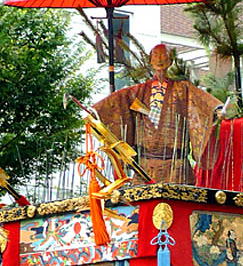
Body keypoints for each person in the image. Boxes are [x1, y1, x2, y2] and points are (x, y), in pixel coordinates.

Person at [93, 43, 221, 184]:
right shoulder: (139, 91)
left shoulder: (183, 89)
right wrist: (96, 112)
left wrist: (216, 110)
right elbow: (117, 100)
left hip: (176, 168)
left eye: (163, 55)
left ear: (170, 60)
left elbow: (201, 101)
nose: (159, 59)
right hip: (145, 167)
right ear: (150, 61)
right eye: (155, 55)